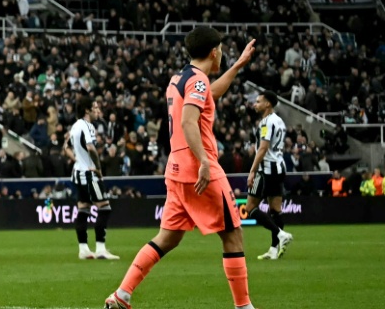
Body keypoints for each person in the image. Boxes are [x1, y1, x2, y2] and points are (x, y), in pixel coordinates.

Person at [104, 27, 257, 309]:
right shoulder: (197, 80)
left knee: (168, 238)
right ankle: (244, 306)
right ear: (214, 52)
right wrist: (205, 163)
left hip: (175, 169)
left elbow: (209, 95)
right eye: (222, 50)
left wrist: (236, 66)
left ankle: (121, 295)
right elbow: (189, 121)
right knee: (233, 234)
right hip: (197, 167)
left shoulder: (181, 78)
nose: (222, 53)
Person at [67, 103, 119, 260]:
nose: (99, 110)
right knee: (105, 208)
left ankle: (83, 249)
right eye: (95, 107)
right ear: (86, 109)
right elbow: (91, 148)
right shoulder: (87, 126)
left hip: (77, 173)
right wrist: (98, 168)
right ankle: (101, 248)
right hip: (89, 174)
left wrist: (78, 160)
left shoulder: (75, 126)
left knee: (83, 208)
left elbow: (66, 147)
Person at [248, 90, 294, 260]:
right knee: (275, 210)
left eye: (259, 101)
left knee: (250, 207)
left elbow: (263, 148)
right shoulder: (280, 121)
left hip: (267, 169)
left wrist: (252, 171)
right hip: (279, 168)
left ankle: (280, 234)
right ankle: (274, 250)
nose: (255, 104)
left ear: (268, 104)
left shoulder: (266, 123)